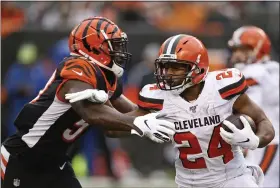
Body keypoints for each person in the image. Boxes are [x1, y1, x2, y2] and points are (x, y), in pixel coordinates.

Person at [69, 34, 275, 187]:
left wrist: (255, 140)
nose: (168, 74)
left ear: (198, 68)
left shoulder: (223, 87)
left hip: (232, 178)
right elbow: (114, 129)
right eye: (165, 67)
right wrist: (109, 100)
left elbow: (265, 124)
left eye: (176, 67)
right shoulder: (158, 97)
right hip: (188, 183)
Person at [0, 17, 175, 188]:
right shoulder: (78, 66)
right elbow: (90, 112)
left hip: (55, 164)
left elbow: (115, 125)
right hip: (23, 159)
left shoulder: (107, 77)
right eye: (113, 45)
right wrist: (138, 122)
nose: (119, 51)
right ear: (93, 47)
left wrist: (157, 118)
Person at [227, 26, 279, 187]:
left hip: (265, 141)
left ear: (258, 48)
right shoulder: (273, 68)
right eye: (235, 50)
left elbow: (246, 114)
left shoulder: (253, 72)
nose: (237, 55)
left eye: (243, 50)